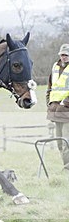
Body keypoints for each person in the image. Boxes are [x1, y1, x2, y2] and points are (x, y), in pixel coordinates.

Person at [46, 43, 69, 171]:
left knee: (67, 142)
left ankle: (67, 169)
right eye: (62, 54)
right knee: (59, 143)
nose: (64, 57)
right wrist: (49, 103)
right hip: (55, 111)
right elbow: (50, 88)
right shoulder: (55, 67)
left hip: (67, 111)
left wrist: (65, 103)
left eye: (66, 55)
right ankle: (65, 166)